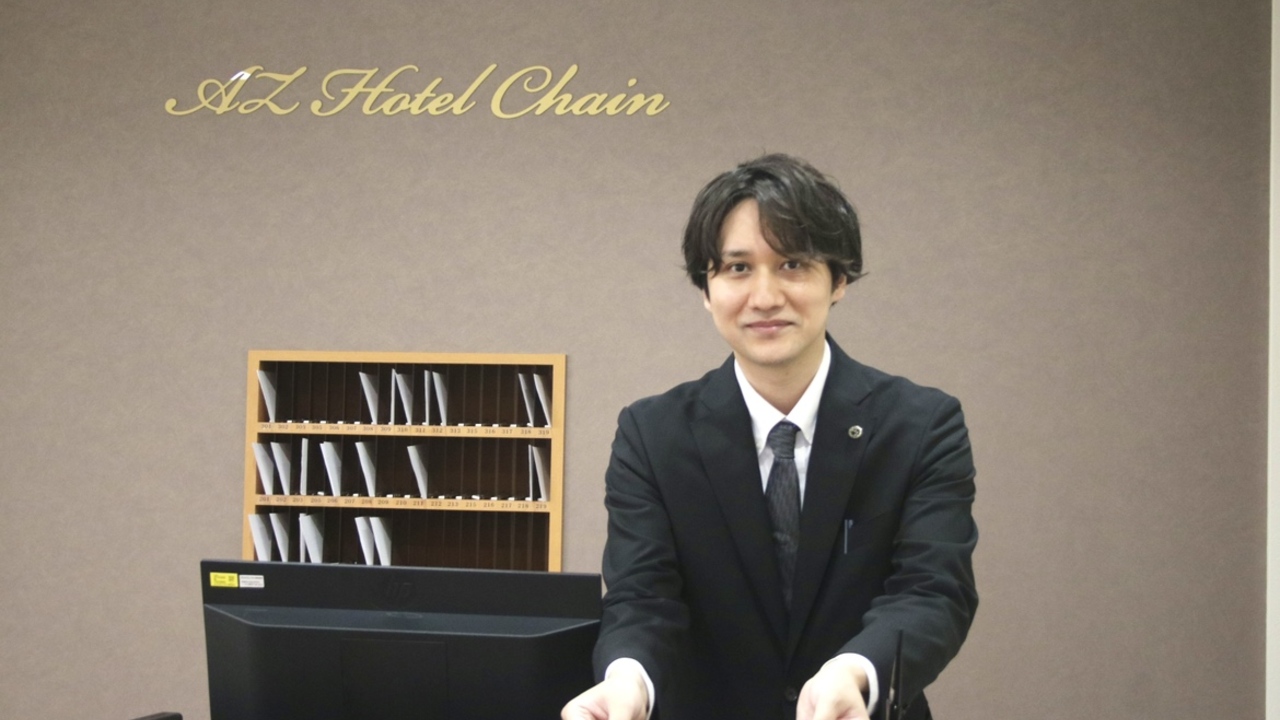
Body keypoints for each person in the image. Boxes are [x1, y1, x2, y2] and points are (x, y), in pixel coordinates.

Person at [562, 154, 978, 720]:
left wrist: (853, 672)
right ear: (706, 288)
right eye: (737, 268)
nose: (764, 297)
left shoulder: (921, 424)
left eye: (792, 264)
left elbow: (932, 590)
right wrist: (628, 681)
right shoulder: (652, 434)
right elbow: (643, 597)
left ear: (839, 280)